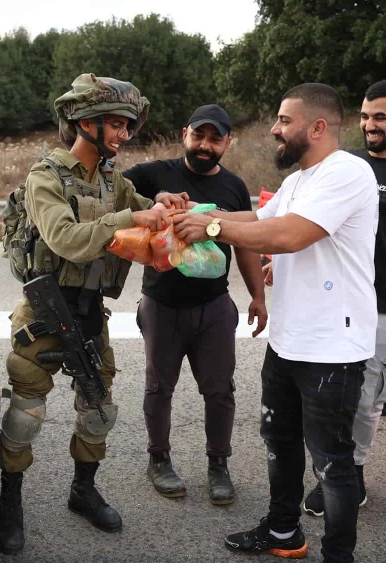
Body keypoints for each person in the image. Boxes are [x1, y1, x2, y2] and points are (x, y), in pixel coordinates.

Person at [171, 83, 379, 563]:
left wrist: (214, 228)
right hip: (289, 340)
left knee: (331, 462)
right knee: (279, 439)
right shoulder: (299, 180)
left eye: (285, 120)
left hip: (332, 347)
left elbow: (288, 234)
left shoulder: (347, 172)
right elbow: (261, 217)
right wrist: (200, 212)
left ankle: (339, 555)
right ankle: (284, 532)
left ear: (318, 127)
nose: (274, 128)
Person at [0, 73, 174, 555]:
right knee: (26, 416)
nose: (124, 135)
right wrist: (129, 219)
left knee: (98, 412)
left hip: (91, 315)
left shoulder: (115, 180)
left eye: (127, 125)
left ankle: (83, 491)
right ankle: (10, 502)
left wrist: (166, 206)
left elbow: (147, 210)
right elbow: (66, 239)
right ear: (83, 122)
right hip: (43, 312)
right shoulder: (45, 177)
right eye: (116, 124)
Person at [296, 79, 386, 518]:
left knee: (369, 396)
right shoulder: (344, 163)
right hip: (332, 299)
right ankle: (330, 470)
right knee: (329, 395)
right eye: (364, 116)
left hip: (383, 306)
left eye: (380, 116)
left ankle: (350, 471)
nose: (370, 125)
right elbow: (313, 222)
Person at [121, 104, 268, 505]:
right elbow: (108, 187)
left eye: (215, 138)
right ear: (184, 133)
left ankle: (219, 467)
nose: (205, 145)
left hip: (214, 307)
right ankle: (159, 461)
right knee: (158, 387)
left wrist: (257, 295)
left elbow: (245, 244)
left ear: (227, 142)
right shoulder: (153, 175)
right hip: (161, 304)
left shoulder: (234, 187)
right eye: (198, 136)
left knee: (220, 391)